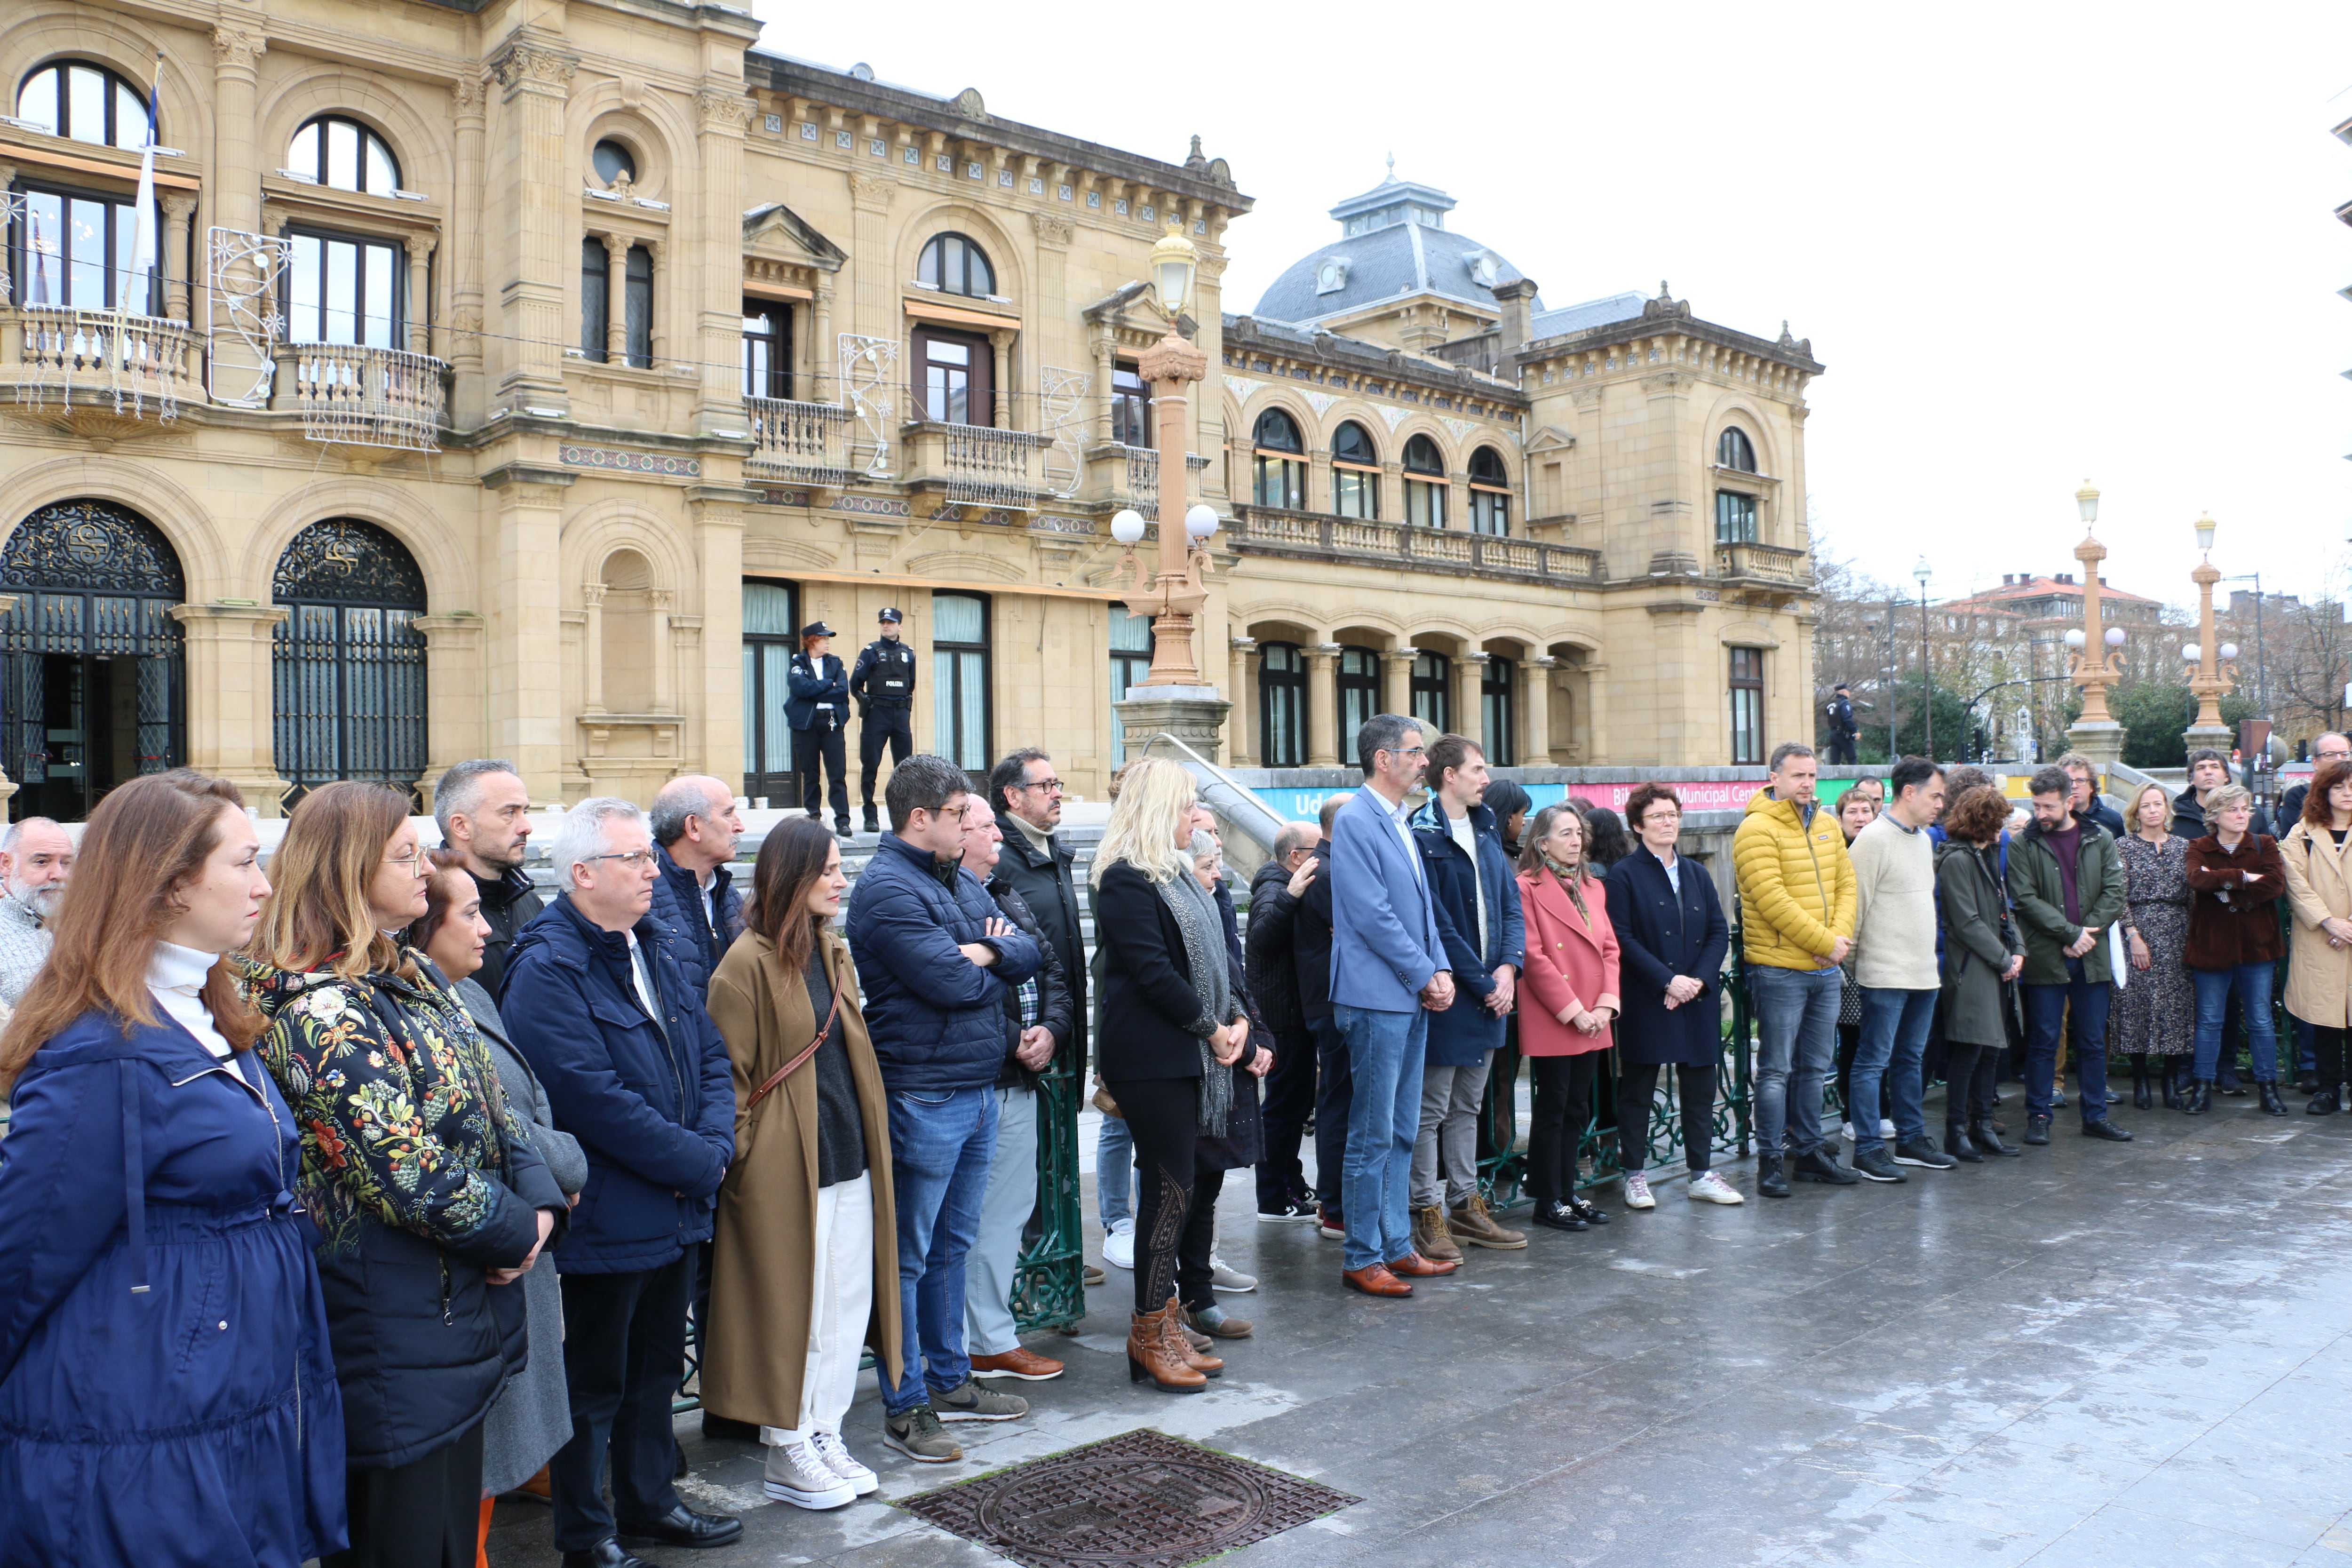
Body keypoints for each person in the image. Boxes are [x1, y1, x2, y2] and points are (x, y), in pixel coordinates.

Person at [0, 771, 345, 1568]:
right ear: (168, 884)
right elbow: (27, 1246)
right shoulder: (102, 1049)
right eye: (245, 862)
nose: (264, 885)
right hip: (139, 1416)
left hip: (219, 1392)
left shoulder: (207, 1007)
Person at [250, 781, 568, 1568]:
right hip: (391, 1332)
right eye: (404, 854)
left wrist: (540, 1207)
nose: (425, 868)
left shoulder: (413, 974)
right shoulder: (320, 1009)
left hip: (454, 1317)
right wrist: (517, 1227)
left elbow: (500, 1111)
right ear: (346, 871)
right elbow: (405, 1168)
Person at [502, 798, 741, 1567]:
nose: (651, 870)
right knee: (595, 1382)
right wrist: (698, 1160)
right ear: (581, 874)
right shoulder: (548, 967)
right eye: (634, 858)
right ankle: (587, 1530)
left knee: (655, 1371)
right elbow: (589, 1098)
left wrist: (712, 1142)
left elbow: (707, 1050)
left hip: (673, 1204)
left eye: (649, 857)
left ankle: (651, 1502)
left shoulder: (653, 943)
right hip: (610, 1211)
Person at [843, 753, 1040, 1459]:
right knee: (910, 1253)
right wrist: (987, 957)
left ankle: (953, 1378)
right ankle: (905, 1404)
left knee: (953, 1244)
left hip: (974, 1083)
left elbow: (1032, 948)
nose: (971, 826)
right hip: (924, 1091)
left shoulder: (951, 875)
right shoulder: (888, 888)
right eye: (960, 814)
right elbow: (949, 982)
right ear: (920, 817)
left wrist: (983, 953)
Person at [702, 819, 900, 1511]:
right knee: (798, 1311)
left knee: (845, 1308)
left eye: (841, 869)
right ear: (792, 877)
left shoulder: (831, 948)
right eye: (829, 871)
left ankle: (825, 1431)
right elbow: (726, 1078)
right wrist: (751, 1160)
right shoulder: (746, 962)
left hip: (848, 1155)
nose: (841, 881)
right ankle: (788, 1446)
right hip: (787, 1168)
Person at [406, 851, 587, 1537]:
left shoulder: (474, 994)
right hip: (489, 1250)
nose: (487, 929)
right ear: (425, 929)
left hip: (525, 1234)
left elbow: (530, 1097)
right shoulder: (415, 1012)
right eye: (471, 913)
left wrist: (551, 1173)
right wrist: (560, 1172)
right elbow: (480, 1124)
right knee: (467, 1478)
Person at [1089, 759, 1245, 1386]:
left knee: (1175, 1194)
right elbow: (1154, 973)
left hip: (1184, 1053)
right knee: (1167, 1195)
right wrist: (1213, 1028)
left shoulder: (1178, 876)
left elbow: (1216, 962)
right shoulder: (1126, 877)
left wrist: (1233, 1021)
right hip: (1151, 1056)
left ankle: (1164, 1321)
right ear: (1158, 810)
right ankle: (1149, 1332)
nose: (1195, 820)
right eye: (1185, 808)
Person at [1329, 714, 1456, 1296]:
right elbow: (1370, 912)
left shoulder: (1399, 818)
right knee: (1372, 1133)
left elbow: (1422, 908)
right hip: (1374, 996)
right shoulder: (1357, 818)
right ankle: (1362, 1255)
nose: (1423, 761)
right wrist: (1423, 971)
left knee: (1402, 1129)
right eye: (1413, 751)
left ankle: (1395, 1244)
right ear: (1383, 759)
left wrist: (1441, 967)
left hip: (1407, 992)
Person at [961, 795, 1073, 1383]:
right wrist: (1012, 1038)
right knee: (969, 1221)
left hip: (1022, 1076)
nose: (998, 838)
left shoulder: (1003, 892)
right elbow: (955, 985)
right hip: (981, 1079)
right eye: (985, 828)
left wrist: (1050, 1031)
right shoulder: (951, 896)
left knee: (1007, 1213)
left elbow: (1047, 968)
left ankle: (991, 1337)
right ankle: (974, 1341)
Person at [1406, 735, 1527, 1258]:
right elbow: (1436, 921)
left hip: (1488, 990)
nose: (1486, 779)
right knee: (1430, 1109)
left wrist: (1508, 968)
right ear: (1448, 775)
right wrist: (1484, 981)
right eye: (1477, 769)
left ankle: (1464, 1202)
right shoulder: (1421, 831)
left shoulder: (1484, 827)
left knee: (1467, 1106)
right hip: (1450, 992)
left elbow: (1508, 909)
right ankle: (1424, 1210)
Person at [1732, 742, 1859, 1196]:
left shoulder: (1826, 823)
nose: (1807, 783)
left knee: (1814, 1067)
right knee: (1776, 1069)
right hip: (1780, 968)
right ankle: (1770, 1158)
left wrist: (1836, 942)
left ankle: (1808, 1152)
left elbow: (1846, 884)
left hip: (1824, 968)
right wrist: (1828, 943)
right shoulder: (1756, 829)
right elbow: (1770, 900)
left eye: (1812, 775)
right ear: (1775, 777)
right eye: (1798, 775)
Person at [1605, 784, 1740, 1206]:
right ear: (1637, 825)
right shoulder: (1624, 874)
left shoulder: (1697, 873)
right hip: (1649, 996)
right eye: (1658, 816)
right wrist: (1668, 981)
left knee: (1701, 1085)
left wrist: (1696, 981)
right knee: (1639, 1088)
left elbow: (1719, 930)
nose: (1668, 822)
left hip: (1696, 997)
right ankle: (1635, 1174)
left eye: (1673, 814)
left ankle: (1701, 1172)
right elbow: (1622, 938)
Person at [987, 746, 1093, 1249]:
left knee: (1057, 1147)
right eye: (1044, 786)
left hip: (1061, 1026)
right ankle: (1034, 1258)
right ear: (1012, 796)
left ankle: (1058, 1251)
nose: (1057, 794)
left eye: (1057, 784)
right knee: (1026, 1156)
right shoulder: (1000, 859)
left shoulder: (1054, 852)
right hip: (1023, 1037)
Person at [2008, 764, 2132, 1146]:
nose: (2040, 814)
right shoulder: (2022, 844)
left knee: (2094, 1040)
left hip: (2090, 955)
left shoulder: (2101, 837)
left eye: (2048, 806)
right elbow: (2025, 899)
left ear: (2069, 800)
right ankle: (2039, 1115)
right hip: (2048, 954)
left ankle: (2095, 1115)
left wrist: (2085, 934)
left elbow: (2115, 891)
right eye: (2036, 806)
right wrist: (2071, 933)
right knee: (2045, 1039)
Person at [1846, 757, 1956, 1181]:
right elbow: (1854, 909)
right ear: (1909, 792)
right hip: (1884, 972)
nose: (1940, 805)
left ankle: (1911, 1139)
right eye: (1935, 795)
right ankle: (1869, 1148)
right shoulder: (1873, 839)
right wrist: (1859, 964)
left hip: (1923, 972)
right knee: (1872, 1061)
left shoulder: (1924, 838)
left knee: (1911, 1058)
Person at [1515, 803, 1621, 1230]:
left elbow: (1610, 949)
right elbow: (1534, 955)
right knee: (1553, 1107)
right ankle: (1547, 1198)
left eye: (1579, 832)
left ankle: (1568, 1191)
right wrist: (1575, 1011)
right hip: (1556, 1014)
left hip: (1593, 1013)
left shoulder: (1593, 886)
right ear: (1542, 843)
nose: (1576, 840)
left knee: (1578, 1106)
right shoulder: (1526, 886)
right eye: (1565, 833)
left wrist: (1604, 1005)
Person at [1188, 827, 1274, 1337]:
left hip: (1227, 1061)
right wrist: (1224, 1033)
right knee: (1183, 1193)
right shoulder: (1170, 907)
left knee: (1209, 1187)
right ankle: (1176, 1300)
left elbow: (1236, 979)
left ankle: (1198, 1295)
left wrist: (1255, 1037)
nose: (1218, 875)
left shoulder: (1216, 904)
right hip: (1193, 1064)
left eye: (1218, 862)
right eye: (1207, 865)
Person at [2182, 783, 2288, 1116]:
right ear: (2215, 815)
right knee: (2210, 1019)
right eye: (2233, 810)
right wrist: (2244, 876)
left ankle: (2268, 1088)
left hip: (2258, 944)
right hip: (2212, 944)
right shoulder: (2199, 846)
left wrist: (2225, 884)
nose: (2241, 815)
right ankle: (2202, 1088)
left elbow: (2274, 885)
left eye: (2245, 809)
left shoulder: (2265, 843)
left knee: (2260, 1018)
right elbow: (2196, 880)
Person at [1934, 786, 2026, 1162]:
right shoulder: (1958, 859)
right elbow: (1966, 921)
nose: (2003, 828)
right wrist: (2006, 959)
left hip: (1992, 964)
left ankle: (1982, 1125)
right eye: (1998, 820)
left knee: (1990, 1050)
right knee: (1969, 1051)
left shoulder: (1985, 854)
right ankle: (1957, 1131)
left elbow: (2005, 909)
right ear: (1982, 821)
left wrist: (2018, 949)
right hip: (1973, 967)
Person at [1244, 817, 1323, 1222]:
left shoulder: (1282, 886)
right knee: (1282, 1111)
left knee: (1291, 1110)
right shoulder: (1274, 889)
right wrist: (1291, 896)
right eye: (1317, 850)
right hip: (1283, 1020)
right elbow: (1261, 938)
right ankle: (1274, 1197)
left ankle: (1291, 1182)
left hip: (1294, 1016)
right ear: (1296, 857)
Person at [2108, 781, 2196, 1110]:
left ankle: (2171, 1083)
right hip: (2138, 932)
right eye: (2146, 805)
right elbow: (2118, 894)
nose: (2153, 810)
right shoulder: (2123, 847)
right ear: (2136, 811)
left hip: (2177, 932)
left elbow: (2192, 896)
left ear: (2167, 808)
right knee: (2137, 1006)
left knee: (2176, 1008)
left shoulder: (2184, 847)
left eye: (2158, 803)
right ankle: (2140, 1080)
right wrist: (2132, 934)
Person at [2279, 758, 2352, 1114]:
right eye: (2339, 786)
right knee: (2325, 1019)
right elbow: (2294, 881)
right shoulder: (2303, 832)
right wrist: (2328, 921)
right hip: (2321, 939)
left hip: (2348, 936)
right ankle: (2328, 1089)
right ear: (2324, 791)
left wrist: (2348, 926)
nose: (2347, 792)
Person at [1295, 790, 1351, 1240]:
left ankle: (1333, 1205)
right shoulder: (1328, 871)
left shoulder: (1329, 866)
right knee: (1340, 1101)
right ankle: (1335, 1207)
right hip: (1333, 1002)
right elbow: (1359, 928)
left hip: (1330, 999)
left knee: (1340, 1099)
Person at [434, 758, 540, 997]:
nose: (527, 826)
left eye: (525, 811)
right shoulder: (430, 911)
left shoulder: (529, 900)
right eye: (509, 813)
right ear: (461, 826)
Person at [647, 774, 746, 993]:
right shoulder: (644, 901)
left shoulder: (725, 892)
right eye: (728, 814)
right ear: (693, 827)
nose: (740, 826)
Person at [1832, 780, 1886, 1138]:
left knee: (1880, 1040)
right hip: (1848, 957)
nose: (1861, 816)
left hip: (1880, 956)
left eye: (1866, 809)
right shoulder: (1836, 853)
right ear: (1839, 818)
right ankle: (1851, 1114)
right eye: (1852, 811)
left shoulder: (1883, 847)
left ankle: (1881, 1110)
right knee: (1852, 1040)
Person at [850, 607, 918, 835]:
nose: (886, 626)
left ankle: (903, 817)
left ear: (900, 626)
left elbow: (911, 684)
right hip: (876, 714)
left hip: (900, 716)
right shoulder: (871, 651)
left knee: (905, 769)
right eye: (883, 623)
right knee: (870, 766)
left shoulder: (908, 653)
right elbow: (855, 685)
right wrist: (865, 702)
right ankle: (871, 816)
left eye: (890, 623)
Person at [788, 621, 854, 839]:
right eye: (823, 638)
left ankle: (843, 820)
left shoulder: (836, 663)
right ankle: (814, 815)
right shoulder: (798, 663)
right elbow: (799, 688)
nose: (827, 642)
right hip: (806, 724)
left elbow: (843, 691)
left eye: (828, 638)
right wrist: (828, 685)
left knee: (837, 773)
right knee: (811, 772)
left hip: (832, 722)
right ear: (811, 641)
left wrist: (816, 691)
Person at [0, 815, 72, 1004]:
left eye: (66, 863)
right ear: (6, 864)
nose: (59, 875)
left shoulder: (89, 920)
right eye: (42, 862)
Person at [2173, 748, 2272, 839]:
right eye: (2201, 768)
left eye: (2215, 767)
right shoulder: (2176, 815)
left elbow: (2266, 853)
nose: (2208, 772)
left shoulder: (2252, 813)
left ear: (2227, 777)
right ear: (2192, 779)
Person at [2277, 732, 2350, 828]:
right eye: (2330, 755)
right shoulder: (2298, 795)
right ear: (2315, 762)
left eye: (2345, 754)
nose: (2339, 759)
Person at [2058, 753, 2127, 839]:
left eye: (2081, 780)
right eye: (2068, 781)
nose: (2074, 786)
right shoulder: (2052, 817)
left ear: (2092, 786)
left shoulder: (2112, 819)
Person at [1824, 682, 1860, 765]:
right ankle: (1855, 778)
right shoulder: (1844, 703)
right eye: (1848, 691)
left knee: (1835, 761)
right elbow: (1847, 718)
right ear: (1844, 692)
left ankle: (1833, 778)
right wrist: (1855, 731)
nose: (1850, 693)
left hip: (1833, 734)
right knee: (1852, 758)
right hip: (1843, 734)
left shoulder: (1831, 704)